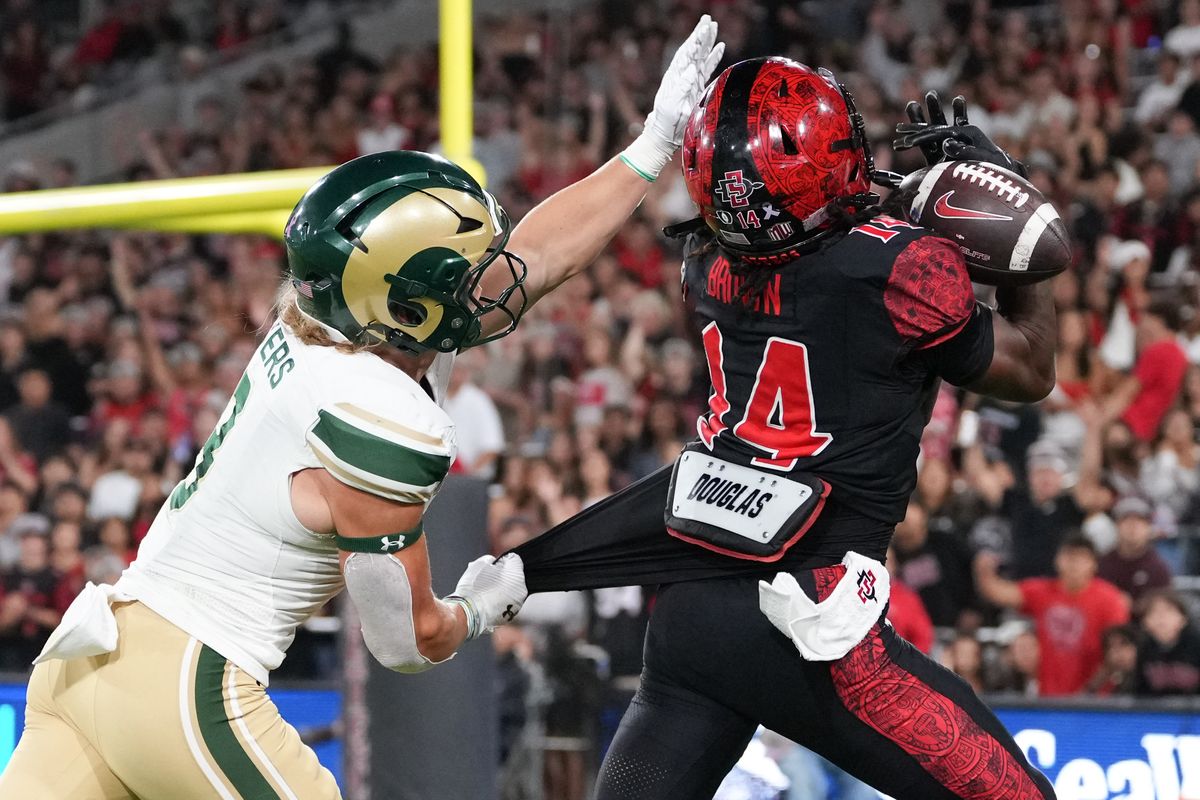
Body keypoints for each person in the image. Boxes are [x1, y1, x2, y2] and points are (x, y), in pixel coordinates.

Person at [0, 16, 726, 798]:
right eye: (467, 271)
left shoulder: (326, 324)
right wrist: (484, 604)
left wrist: (651, 146)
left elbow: (536, 260)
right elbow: (408, 641)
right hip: (188, 683)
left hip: (85, 667)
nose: (492, 278)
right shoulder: (383, 416)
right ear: (409, 306)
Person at [514, 70, 1059, 797]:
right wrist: (1002, 193)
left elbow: (811, 259)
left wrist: (902, 199)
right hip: (816, 621)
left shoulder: (704, 259)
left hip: (694, 611)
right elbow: (1029, 367)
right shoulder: (904, 271)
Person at [975, 535, 1130, 696]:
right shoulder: (1044, 592)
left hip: (1095, 701)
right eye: (1069, 557)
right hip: (1050, 698)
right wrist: (984, 571)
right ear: (1057, 560)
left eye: (1081, 558)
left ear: (1094, 564)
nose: (1074, 564)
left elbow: (1117, 650)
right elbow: (998, 592)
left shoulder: (1110, 599)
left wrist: (1090, 691)